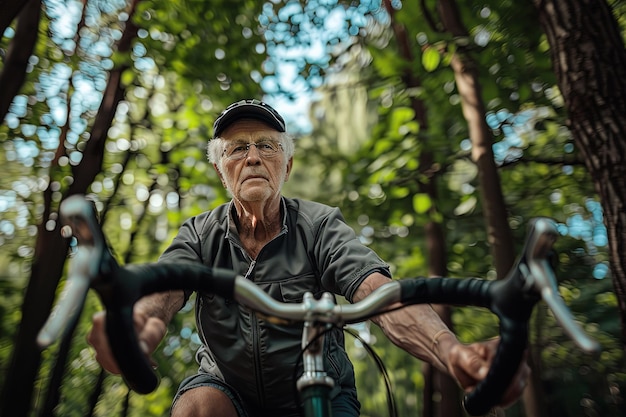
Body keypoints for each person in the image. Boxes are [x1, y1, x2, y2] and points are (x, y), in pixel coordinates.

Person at [88, 99, 529, 417]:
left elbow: (380, 293)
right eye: (237, 149)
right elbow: (164, 288)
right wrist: (137, 326)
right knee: (198, 409)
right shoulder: (200, 233)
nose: (253, 156)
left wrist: (452, 352)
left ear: (288, 164)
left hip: (319, 387)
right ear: (222, 171)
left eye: (267, 145)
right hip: (228, 388)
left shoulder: (319, 225)